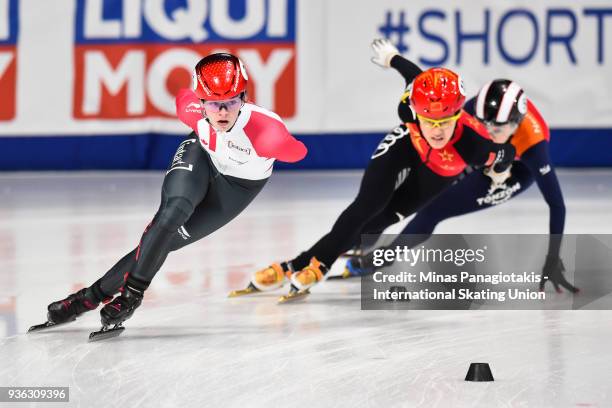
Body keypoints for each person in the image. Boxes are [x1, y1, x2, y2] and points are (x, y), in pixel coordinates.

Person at [30, 53, 307, 337]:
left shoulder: (265, 132)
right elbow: (182, 96)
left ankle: (87, 298)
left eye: (231, 102)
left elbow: (299, 152)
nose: (222, 113)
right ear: (201, 103)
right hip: (202, 155)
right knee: (171, 214)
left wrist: (278, 145)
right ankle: (130, 296)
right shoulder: (193, 112)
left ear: (244, 98)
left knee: (167, 241)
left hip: (238, 186)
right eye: (213, 104)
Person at [230, 39, 516, 302]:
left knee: (377, 223)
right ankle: (319, 264)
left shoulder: (474, 146)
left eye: (445, 121)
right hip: (407, 146)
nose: (437, 131)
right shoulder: (408, 108)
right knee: (366, 206)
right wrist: (393, 58)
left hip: (440, 172)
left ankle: (297, 263)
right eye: (429, 120)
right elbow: (414, 76)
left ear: (458, 115)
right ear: (417, 112)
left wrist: (499, 169)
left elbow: (507, 152)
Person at [343, 79, 578, 293]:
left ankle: (381, 259)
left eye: (496, 130)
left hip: (516, 172)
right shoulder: (474, 109)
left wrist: (553, 258)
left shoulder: (533, 146)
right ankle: (360, 238)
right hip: (481, 155)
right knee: (414, 190)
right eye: (483, 126)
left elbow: (557, 204)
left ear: (516, 124)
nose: (489, 133)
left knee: (433, 210)